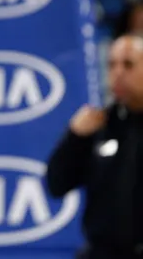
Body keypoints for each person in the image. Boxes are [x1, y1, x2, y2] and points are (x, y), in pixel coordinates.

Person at [46, 35, 143, 258]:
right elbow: (55, 185)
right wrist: (74, 137)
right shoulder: (99, 124)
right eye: (111, 65)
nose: (118, 73)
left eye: (128, 64)